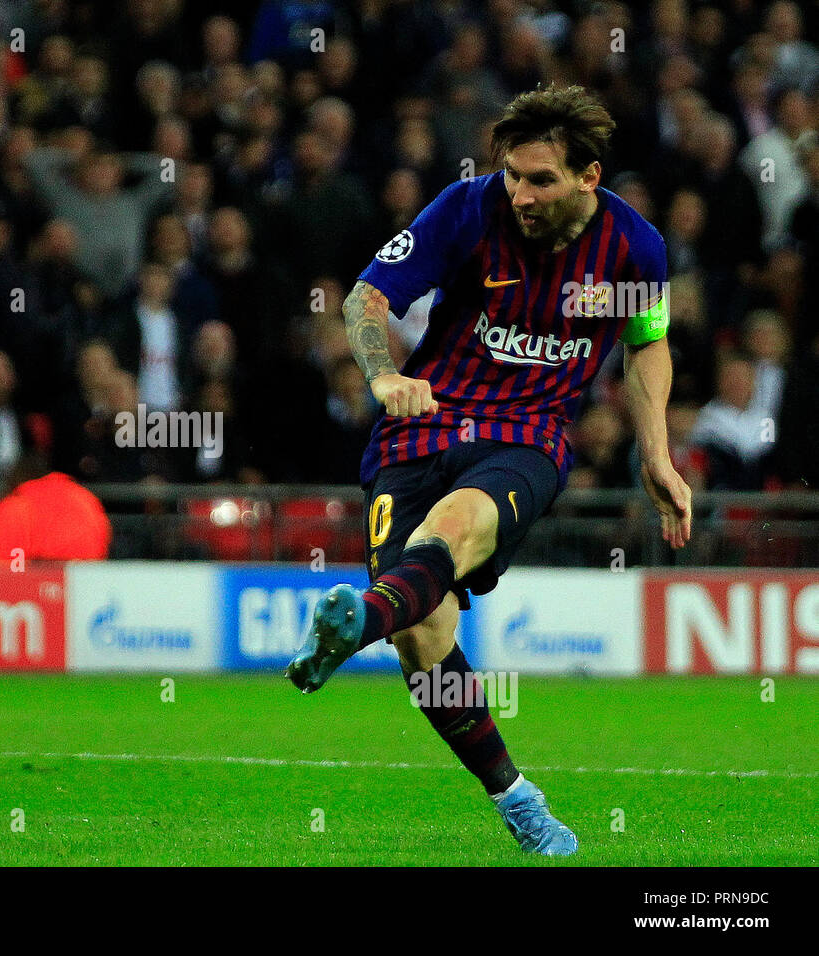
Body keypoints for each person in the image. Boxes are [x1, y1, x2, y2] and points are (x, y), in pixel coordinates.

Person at [285, 84, 693, 856]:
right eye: (513, 174)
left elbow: (647, 345)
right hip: (418, 429)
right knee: (424, 635)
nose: (521, 193)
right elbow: (367, 298)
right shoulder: (468, 209)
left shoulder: (636, 248)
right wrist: (381, 376)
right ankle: (516, 798)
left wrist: (656, 452)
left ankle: (357, 622)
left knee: (452, 530)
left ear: (588, 177)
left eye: (540, 179)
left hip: (526, 438)